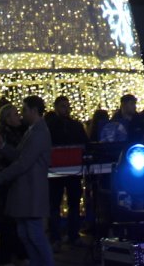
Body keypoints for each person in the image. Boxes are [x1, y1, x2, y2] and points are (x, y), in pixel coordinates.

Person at [0, 95, 54, 266]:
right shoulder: (32, 131)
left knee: (34, 234)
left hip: (31, 192)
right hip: (26, 191)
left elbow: (23, 162)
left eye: (24, 110)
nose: (22, 114)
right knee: (26, 233)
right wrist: (3, 147)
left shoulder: (38, 132)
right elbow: (20, 157)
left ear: (33, 111)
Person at [46, 96, 88, 250]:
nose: (66, 109)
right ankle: (57, 237)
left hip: (72, 169)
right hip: (57, 171)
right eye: (63, 106)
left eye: (67, 106)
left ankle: (72, 235)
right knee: (55, 205)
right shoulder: (51, 126)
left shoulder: (74, 125)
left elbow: (84, 143)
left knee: (73, 203)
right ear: (56, 107)